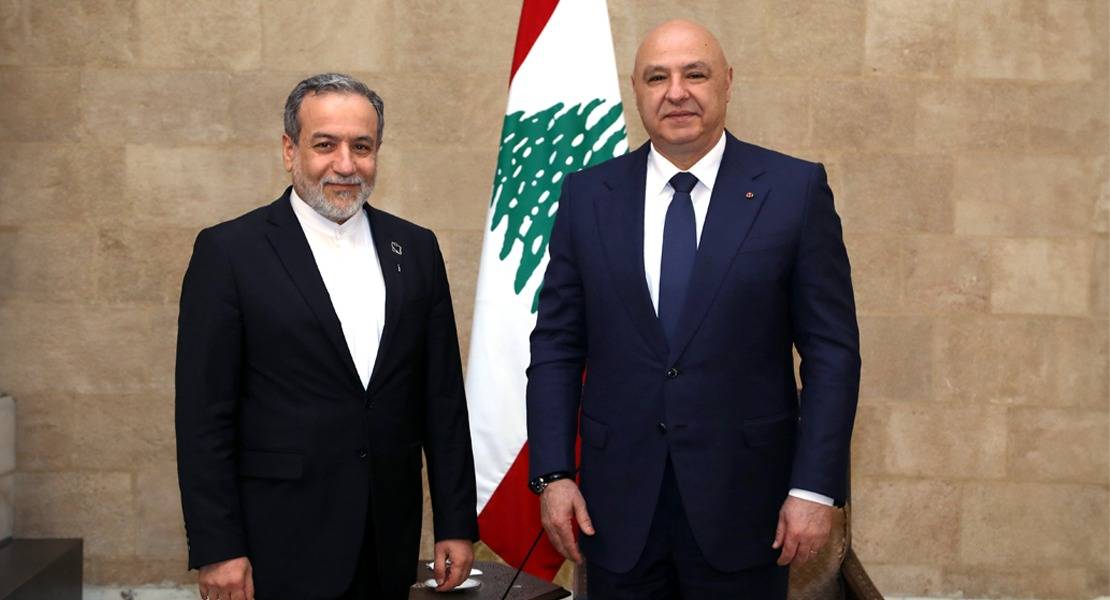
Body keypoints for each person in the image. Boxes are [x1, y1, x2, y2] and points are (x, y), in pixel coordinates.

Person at [526, 20, 861, 599]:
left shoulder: (794, 190)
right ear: (637, 90)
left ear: (727, 82)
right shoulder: (587, 196)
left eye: (695, 74)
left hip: (749, 509)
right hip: (616, 510)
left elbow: (832, 353)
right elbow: (556, 345)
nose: (676, 92)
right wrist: (553, 474)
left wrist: (813, 489)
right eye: (657, 77)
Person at [176, 73, 477, 600]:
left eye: (361, 146)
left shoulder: (416, 249)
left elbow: (443, 399)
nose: (345, 164)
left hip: (387, 540)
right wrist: (218, 547)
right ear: (289, 150)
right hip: (277, 543)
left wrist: (456, 522)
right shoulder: (229, 253)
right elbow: (204, 416)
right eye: (325, 145)